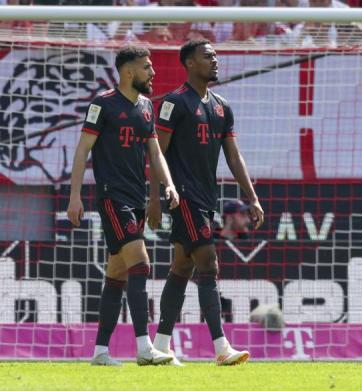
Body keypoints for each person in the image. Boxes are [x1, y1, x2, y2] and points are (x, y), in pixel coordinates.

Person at [149, 39, 264, 366]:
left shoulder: (221, 106)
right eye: (207, 56)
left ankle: (160, 345)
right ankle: (221, 347)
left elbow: (233, 155)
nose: (215, 61)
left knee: (182, 267)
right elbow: (156, 153)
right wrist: (155, 199)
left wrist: (252, 197)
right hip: (182, 195)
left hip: (206, 196)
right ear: (189, 63)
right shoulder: (174, 102)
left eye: (215, 56)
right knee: (209, 264)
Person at [67, 45, 179, 366]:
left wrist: (168, 184)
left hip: (136, 198)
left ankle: (101, 351)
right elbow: (82, 150)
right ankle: (144, 347)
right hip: (112, 197)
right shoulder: (102, 104)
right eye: (147, 67)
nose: (153, 72)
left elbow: (155, 153)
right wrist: (74, 196)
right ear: (129, 72)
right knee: (140, 264)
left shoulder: (145, 107)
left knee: (116, 275)